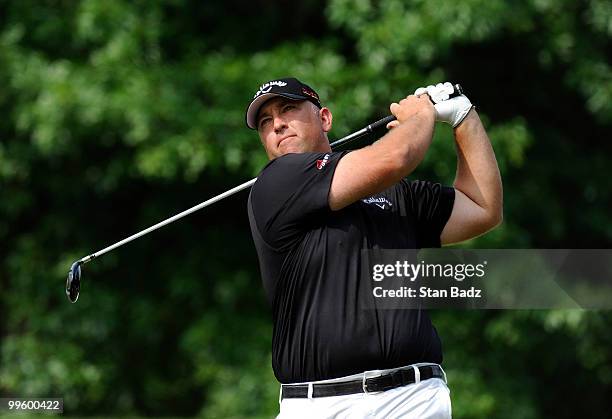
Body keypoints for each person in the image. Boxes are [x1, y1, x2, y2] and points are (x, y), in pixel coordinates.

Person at [245, 77, 502, 418]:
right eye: (265, 122)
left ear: (324, 119)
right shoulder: (276, 183)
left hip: (414, 398)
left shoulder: (397, 193)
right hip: (322, 405)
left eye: (288, 109)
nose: (277, 124)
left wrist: (463, 118)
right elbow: (396, 157)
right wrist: (421, 114)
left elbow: (482, 209)